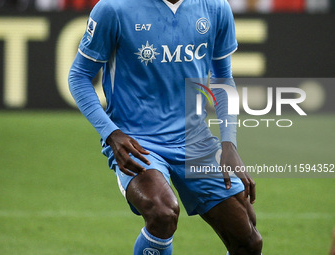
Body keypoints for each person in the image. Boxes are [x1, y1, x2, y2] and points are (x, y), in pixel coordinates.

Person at [68, 0, 263, 254]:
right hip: (137, 141)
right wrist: (111, 133)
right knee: (162, 212)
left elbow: (223, 78)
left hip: (195, 140)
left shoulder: (215, 7)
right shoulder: (114, 8)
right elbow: (79, 75)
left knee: (248, 242)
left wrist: (229, 144)